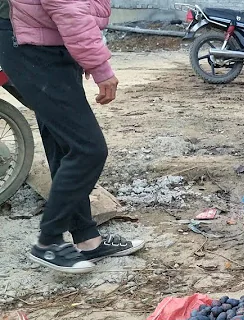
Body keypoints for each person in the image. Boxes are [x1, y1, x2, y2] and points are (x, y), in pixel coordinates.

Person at [0, 0, 144, 273]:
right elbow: (68, 9)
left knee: (65, 145)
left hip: (47, 43)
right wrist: (100, 66)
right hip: (32, 48)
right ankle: (49, 242)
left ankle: (87, 240)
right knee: (88, 149)